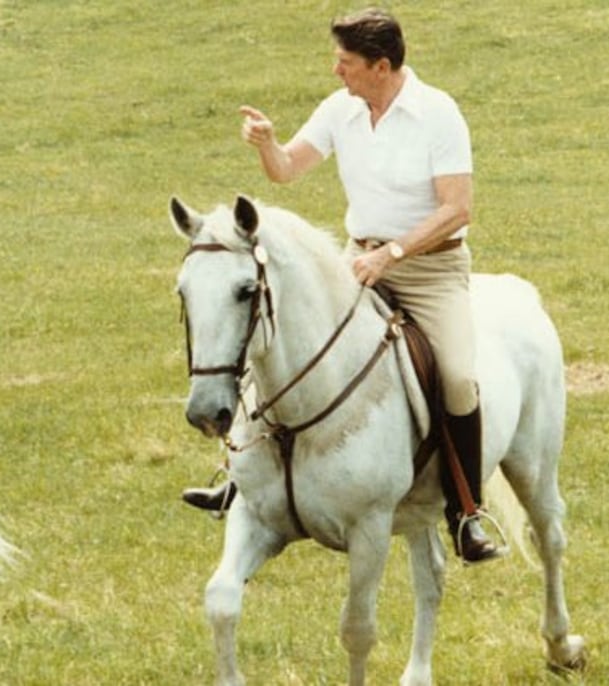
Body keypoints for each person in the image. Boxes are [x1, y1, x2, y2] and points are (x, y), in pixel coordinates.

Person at [182, 8, 502, 564]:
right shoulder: (341, 109)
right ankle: (238, 477)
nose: (336, 72)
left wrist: (393, 253)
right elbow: (286, 170)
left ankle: (466, 512)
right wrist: (266, 143)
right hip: (355, 260)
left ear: (381, 66)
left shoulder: (438, 113)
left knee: (456, 377)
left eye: (346, 63)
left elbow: (458, 208)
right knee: (277, 341)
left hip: (429, 267)